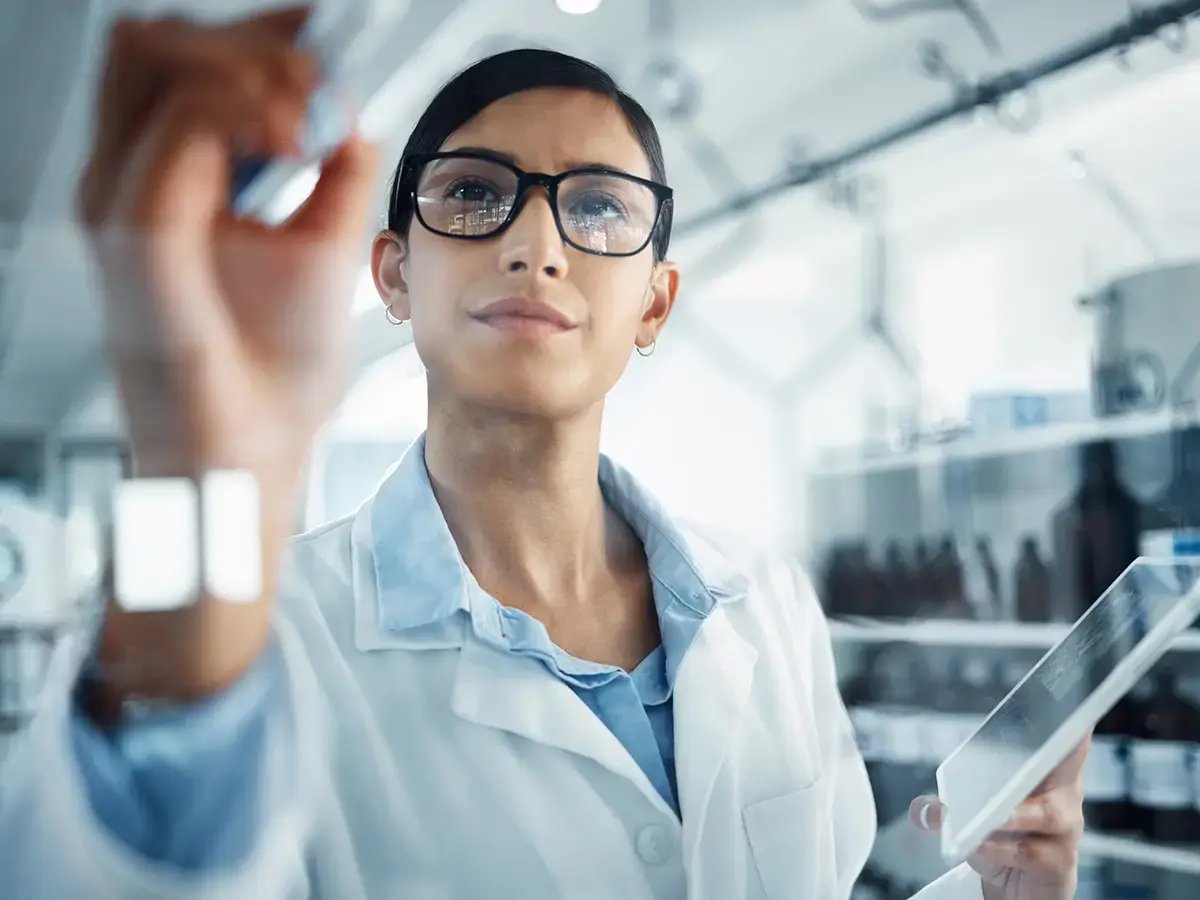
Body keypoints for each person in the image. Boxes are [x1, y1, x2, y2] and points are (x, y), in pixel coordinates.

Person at [0, 8, 1087, 899]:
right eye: (474, 193)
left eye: (601, 209)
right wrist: (197, 475)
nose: (537, 244)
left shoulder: (760, 600)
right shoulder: (264, 643)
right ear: (391, 276)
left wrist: (1002, 895)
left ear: (654, 302)